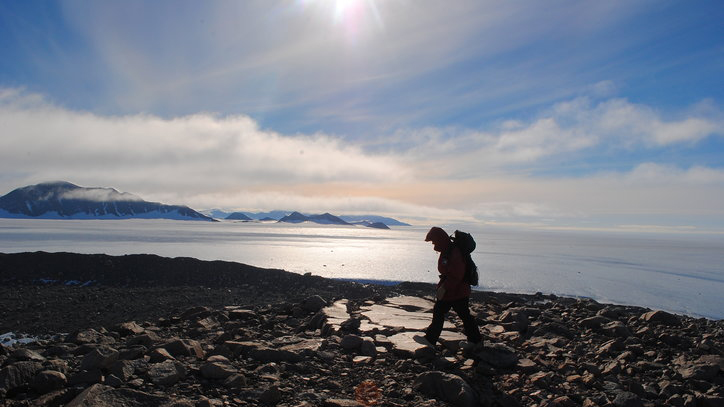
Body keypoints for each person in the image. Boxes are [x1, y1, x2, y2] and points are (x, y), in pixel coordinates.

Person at [421, 226, 482, 348]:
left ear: (439, 239)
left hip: (457, 292)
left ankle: (431, 339)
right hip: (455, 291)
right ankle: (475, 341)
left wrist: (444, 288)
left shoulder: (453, 252)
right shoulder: (447, 250)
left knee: (453, 314)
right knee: (458, 314)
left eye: (433, 241)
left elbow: (456, 275)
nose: (433, 244)